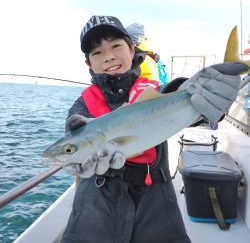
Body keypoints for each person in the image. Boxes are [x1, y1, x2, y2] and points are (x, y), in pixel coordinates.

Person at [61, 15, 244, 243]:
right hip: (98, 198)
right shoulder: (82, 105)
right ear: (89, 63)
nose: (108, 56)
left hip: (155, 194)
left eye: (116, 46)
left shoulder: (155, 91)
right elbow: (75, 130)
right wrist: (73, 138)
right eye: (97, 53)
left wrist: (206, 97)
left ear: (131, 49)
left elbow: (178, 98)